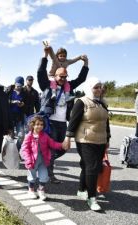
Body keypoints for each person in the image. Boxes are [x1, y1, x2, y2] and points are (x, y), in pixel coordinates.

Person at [38, 44, 89, 184]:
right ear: (55, 76)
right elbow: (40, 72)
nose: (63, 79)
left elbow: (81, 79)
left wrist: (85, 64)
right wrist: (45, 56)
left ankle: (46, 160)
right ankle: (49, 173)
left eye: (65, 77)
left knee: (63, 148)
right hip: (50, 122)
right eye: (61, 76)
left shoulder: (69, 87)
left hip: (63, 123)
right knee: (52, 148)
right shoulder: (47, 86)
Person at [63, 77, 111, 211]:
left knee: (86, 166)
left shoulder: (103, 103)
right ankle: (92, 198)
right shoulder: (81, 102)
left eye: (100, 87)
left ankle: (81, 189)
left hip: (100, 141)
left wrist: (108, 139)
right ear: (90, 88)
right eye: (96, 87)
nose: (99, 89)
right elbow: (73, 121)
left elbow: (106, 123)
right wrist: (68, 138)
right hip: (85, 140)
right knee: (92, 168)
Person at [21, 115, 68, 200]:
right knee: (32, 177)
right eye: (37, 124)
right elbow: (24, 149)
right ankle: (31, 190)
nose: (40, 126)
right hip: (32, 161)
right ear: (32, 125)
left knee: (44, 177)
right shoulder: (29, 136)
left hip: (43, 161)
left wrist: (61, 145)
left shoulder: (45, 135)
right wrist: (28, 160)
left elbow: (52, 144)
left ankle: (41, 190)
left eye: (41, 124)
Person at [6, 76, 27, 149]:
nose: (19, 87)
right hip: (10, 117)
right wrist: (13, 102)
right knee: (10, 136)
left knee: (21, 135)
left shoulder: (24, 92)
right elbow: (4, 101)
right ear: (14, 84)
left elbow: (27, 104)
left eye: (21, 86)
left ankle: (17, 150)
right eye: (18, 85)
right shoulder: (9, 90)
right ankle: (10, 152)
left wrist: (23, 104)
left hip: (19, 117)